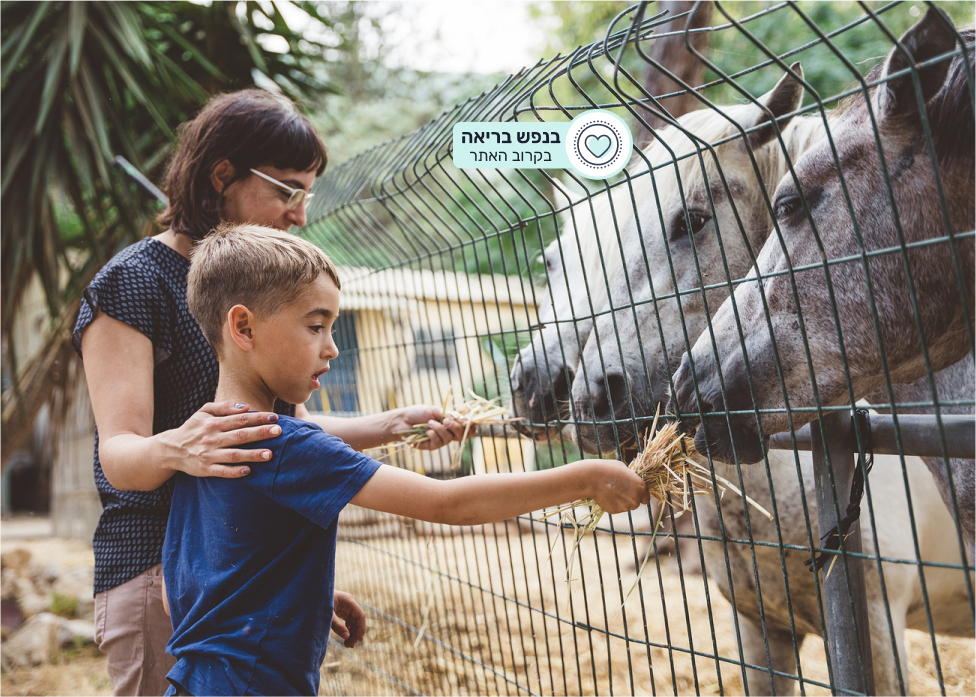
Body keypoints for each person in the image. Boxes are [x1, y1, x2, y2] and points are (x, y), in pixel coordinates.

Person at [72, 89, 464, 696]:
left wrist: (392, 424)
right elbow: (119, 456)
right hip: (158, 573)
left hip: (235, 575)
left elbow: (279, 438)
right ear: (221, 175)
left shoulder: (266, 292)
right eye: (286, 190)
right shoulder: (133, 283)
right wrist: (179, 448)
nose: (299, 214)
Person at [163, 223, 650, 696]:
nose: (332, 348)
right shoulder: (283, 443)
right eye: (316, 327)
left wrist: (295, 596)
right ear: (243, 327)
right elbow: (446, 504)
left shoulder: (201, 441)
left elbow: (183, 584)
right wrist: (585, 477)